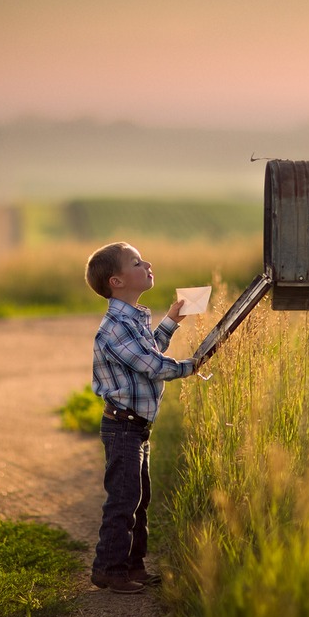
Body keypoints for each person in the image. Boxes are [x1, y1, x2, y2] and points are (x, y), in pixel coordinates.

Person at [84, 241, 197, 594]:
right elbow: (152, 365)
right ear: (116, 281)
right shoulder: (115, 327)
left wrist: (170, 322)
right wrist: (194, 365)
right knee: (123, 499)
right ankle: (108, 568)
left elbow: (149, 350)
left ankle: (133, 565)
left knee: (139, 498)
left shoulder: (132, 319)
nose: (147, 263)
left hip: (135, 427)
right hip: (122, 427)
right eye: (136, 262)